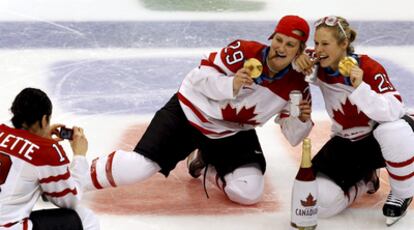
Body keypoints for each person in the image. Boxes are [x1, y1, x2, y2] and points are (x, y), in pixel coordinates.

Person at [87, 15, 313, 205]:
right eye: (278, 40)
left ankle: (206, 163)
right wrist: (231, 84)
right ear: (272, 38)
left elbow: (293, 137)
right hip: (190, 113)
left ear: (300, 51)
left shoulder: (297, 86)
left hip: (231, 132)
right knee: (138, 167)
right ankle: (73, 179)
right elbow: (198, 78)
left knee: (248, 192)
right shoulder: (244, 51)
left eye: (290, 45)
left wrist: (300, 120)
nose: (281, 48)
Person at [294, 16, 414, 226]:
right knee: (318, 204)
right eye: (316, 43)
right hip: (347, 142)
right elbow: (293, 63)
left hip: (381, 140)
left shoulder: (367, 67)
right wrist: (298, 60)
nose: (319, 49)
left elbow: (394, 110)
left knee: (393, 130)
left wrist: (360, 87)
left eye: (325, 43)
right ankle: (365, 179)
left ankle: (402, 193)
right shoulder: (318, 64)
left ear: (344, 44)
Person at [0, 88, 99, 230]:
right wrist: (79, 156)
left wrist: (40, 137)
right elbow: (71, 200)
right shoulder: (46, 151)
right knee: (85, 218)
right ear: (44, 119)